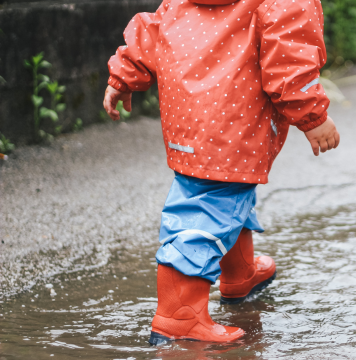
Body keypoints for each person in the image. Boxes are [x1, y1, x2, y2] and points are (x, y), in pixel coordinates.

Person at [103, 0, 340, 344]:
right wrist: (313, 116)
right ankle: (178, 316)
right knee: (208, 207)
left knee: (226, 192)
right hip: (237, 127)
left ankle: (239, 273)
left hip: (188, 126)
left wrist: (123, 76)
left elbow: (151, 31)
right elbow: (289, 63)